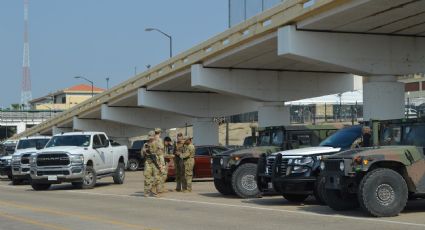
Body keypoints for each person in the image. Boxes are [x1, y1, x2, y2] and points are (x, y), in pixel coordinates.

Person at [142, 131, 161, 197]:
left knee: (157, 178)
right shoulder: (145, 144)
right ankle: (146, 192)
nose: (150, 138)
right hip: (148, 162)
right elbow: (142, 155)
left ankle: (153, 190)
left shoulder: (157, 144)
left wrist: (161, 164)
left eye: (151, 137)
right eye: (149, 137)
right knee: (147, 177)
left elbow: (160, 154)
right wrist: (144, 151)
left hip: (155, 162)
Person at [153, 128, 166, 193]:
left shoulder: (152, 140)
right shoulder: (159, 140)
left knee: (156, 173)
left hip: (154, 158)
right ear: (159, 133)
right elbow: (161, 148)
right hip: (159, 157)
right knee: (162, 173)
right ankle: (158, 189)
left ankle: (156, 188)